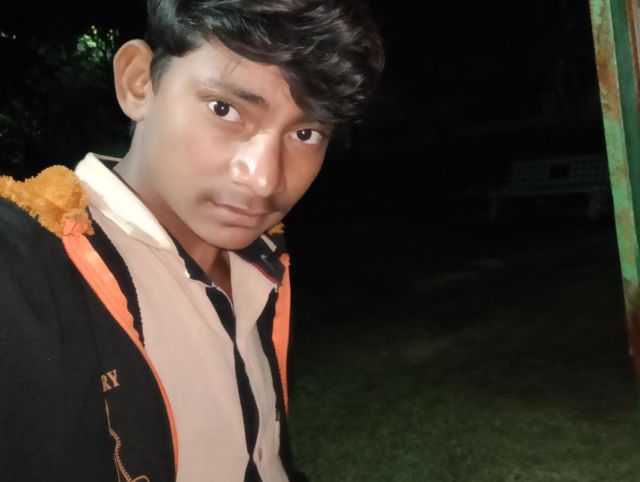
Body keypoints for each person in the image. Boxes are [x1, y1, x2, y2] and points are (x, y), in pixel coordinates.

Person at [0, 0, 384, 480]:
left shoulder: (260, 261)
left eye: (306, 133)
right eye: (225, 109)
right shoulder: (24, 272)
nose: (264, 179)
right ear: (138, 82)